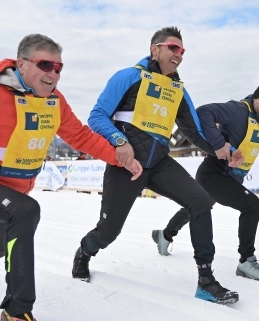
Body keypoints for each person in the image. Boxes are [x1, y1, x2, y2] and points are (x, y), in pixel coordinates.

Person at [0, 34, 142, 321]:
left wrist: (119, 158)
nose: (53, 73)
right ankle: (17, 310)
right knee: (26, 211)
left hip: (9, 193)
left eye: (58, 67)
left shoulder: (54, 102)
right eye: (45, 64)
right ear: (22, 64)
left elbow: (80, 136)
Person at [72, 26, 244, 305]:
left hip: (160, 163)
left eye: (183, 51)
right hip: (127, 165)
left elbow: (195, 131)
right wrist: (119, 141)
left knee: (200, 199)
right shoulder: (129, 76)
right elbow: (97, 116)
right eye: (173, 48)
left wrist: (224, 149)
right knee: (109, 231)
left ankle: (206, 280)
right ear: (156, 49)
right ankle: (84, 252)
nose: (179, 55)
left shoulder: (177, 89)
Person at [152, 78, 259, 280]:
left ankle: (165, 234)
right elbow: (204, 112)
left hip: (232, 178)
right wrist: (219, 144)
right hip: (213, 173)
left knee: (195, 207)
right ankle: (246, 261)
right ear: (256, 98)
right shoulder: (238, 110)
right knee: (251, 205)